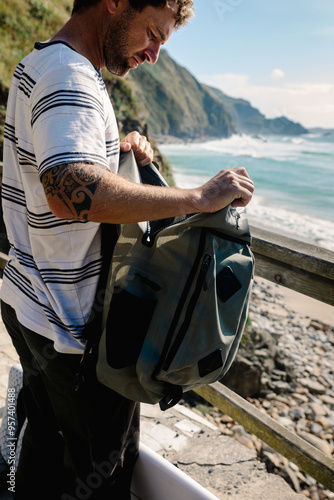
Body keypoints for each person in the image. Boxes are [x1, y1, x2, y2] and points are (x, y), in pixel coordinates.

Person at [0, 0, 254, 498]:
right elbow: (69, 187)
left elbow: (54, 171)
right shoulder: (70, 76)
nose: (155, 53)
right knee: (101, 476)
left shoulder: (42, 62)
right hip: (71, 332)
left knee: (46, 452)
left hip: (30, 304)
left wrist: (113, 154)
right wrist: (199, 197)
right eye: (153, 33)